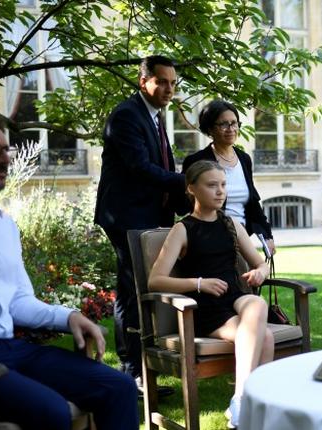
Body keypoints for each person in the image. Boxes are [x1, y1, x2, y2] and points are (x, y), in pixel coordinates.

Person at [0, 115, 138, 429]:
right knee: (50, 411)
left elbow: (18, 300)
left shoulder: (4, 224)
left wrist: (68, 316)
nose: (4, 158)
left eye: (6, 150)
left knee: (119, 387)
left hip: (10, 350)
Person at [149, 160, 273, 429]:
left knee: (257, 303)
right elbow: (155, 280)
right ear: (191, 188)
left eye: (223, 185)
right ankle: (253, 408)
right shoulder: (183, 229)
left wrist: (261, 272)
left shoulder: (230, 224)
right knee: (265, 336)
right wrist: (199, 283)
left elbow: (261, 262)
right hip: (205, 307)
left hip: (235, 297)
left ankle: (241, 397)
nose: (220, 192)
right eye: (212, 185)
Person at [94, 55, 185, 387]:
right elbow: (140, 168)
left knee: (141, 288)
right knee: (133, 289)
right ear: (142, 80)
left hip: (149, 213)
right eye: (162, 82)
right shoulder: (126, 116)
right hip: (126, 215)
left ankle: (143, 367)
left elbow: (159, 163)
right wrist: (184, 182)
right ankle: (132, 370)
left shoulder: (155, 117)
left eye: (173, 83)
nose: (169, 89)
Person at [180, 99, 275, 254]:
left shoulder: (244, 159)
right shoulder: (197, 161)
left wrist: (267, 235)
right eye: (223, 124)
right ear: (210, 128)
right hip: (209, 240)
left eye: (234, 123)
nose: (231, 129)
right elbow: (186, 204)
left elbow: (252, 203)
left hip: (243, 239)